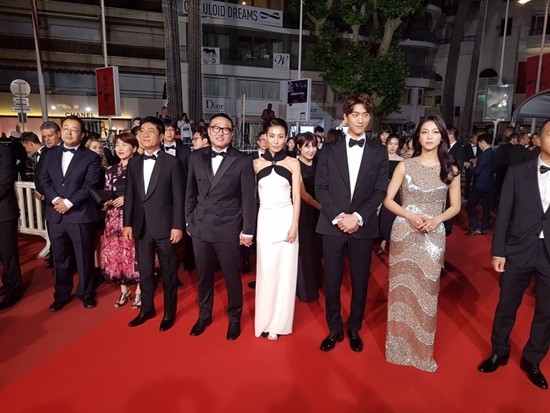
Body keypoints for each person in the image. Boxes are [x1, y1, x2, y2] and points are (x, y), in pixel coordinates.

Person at [383, 115, 461, 372]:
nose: (429, 137)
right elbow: (388, 200)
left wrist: (437, 219)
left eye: (435, 132)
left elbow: (455, 207)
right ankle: (397, 350)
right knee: (401, 291)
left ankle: (421, 353)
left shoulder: (451, 168)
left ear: (442, 136)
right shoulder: (405, 166)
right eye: (425, 132)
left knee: (427, 292)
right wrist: (409, 215)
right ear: (418, 136)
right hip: (404, 232)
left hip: (433, 235)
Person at [477, 118, 550, 390]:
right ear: (539, 138)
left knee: (547, 312)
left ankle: (533, 359)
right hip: (518, 250)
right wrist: (498, 251)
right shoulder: (519, 171)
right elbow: (504, 213)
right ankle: (499, 351)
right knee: (507, 305)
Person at [315, 93, 389, 353]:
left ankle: (354, 328)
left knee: (360, 281)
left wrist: (357, 217)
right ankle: (334, 328)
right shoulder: (328, 150)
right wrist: (340, 217)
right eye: (355, 114)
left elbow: (380, 190)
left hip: (363, 226)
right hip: (332, 225)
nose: (360, 120)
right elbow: (320, 188)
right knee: (332, 281)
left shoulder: (378, 152)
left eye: (365, 115)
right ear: (345, 117)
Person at [185, 112, 256, 341]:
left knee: (232, 277)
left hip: (228, 227)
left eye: (225, 129)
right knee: (203, 275)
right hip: (200, 226)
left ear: (232, 134)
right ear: (209, 131)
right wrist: (188, 221)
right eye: (216, 127)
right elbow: (190, 192)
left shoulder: (242, 160)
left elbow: (249, 199)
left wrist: (248, 230)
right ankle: (204, 315)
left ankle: (234, 318)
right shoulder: (195, 156)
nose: (220, 132)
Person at [123, 116, 185, 332]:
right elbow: (130, 195)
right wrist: (127, 223)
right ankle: (146, 309)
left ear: (161, 135)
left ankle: (169, 313)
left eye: (150, 131)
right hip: (141, 226)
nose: (145, 134)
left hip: (166, 227)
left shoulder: (172, 163)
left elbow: (179, 197)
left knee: (169, 272)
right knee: (145, 272)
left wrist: (178, 225)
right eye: (142, 131)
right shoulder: (133, 163)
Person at [36, 115, 103, 311]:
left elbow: (90, 185)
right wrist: (56, 200)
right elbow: (42, 179)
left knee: (84, 257)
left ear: (82, 135)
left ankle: (87, 293)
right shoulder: (49, 154)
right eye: (65, 128)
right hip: (55, 214)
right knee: (59, 257)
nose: (69, 132)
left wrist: (68, 202)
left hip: (80, 214)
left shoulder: (91, 157)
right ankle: (61, 294)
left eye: (74, 129)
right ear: (61, 131)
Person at [254, 118, 301, 340]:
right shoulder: (255, 164)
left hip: (286, 218)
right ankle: (264, 320)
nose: (275, 141)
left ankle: (279, 324)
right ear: (265, 137)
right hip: (265, 219)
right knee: (266, 271)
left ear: (286, 138)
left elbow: (297, 197)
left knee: (286, 272)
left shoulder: (293, 163)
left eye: (280, 136)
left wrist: (294, 226)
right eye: (272, 136)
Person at [101, 132, 142, 309]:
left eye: (124, 145)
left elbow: (146, 194)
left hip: (133, 216)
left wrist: (127, 198)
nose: (120, 148)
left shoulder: (140, 167)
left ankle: (140, 291)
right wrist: (107, 200)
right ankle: (124, 290)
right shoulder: (111, 170)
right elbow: (108, 190)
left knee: (134, 253)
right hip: (113, 218)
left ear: (134, 148)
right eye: (117, 145)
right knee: (116, 253)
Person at [296, 132, 322, 302]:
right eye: (307, 146)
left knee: (317, 248)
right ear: (299, 147)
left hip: (321, 212)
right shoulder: (295, 165)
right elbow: (303, 194)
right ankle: (305, 289)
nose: (311, 150)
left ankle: (316, 282)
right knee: (305, 249)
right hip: (304, 212)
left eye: (313, 146)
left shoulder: (320, 163)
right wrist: (322, 207)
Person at [0, 142, 23, 310]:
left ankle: (14, 290)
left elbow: (5, 182)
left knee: (8, 254)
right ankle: (7, 283)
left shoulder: (3, 150)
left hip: (4, 212)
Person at [376, 134, 404, 255]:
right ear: (386, 144)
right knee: (380, 216)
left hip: (395, 191)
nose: (393, 147)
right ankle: (381, 240)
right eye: (390, 144)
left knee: (391, 216)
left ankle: (389, 242)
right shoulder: (380, 158)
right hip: (381, 189)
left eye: (396, 144)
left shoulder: (402, 161)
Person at [466, 133, 496, 235]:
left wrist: (469, 166)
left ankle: (475, 227)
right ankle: (484, 228)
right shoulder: (493, 153)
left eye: (479, 143)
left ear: (483, 142)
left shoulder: (483, 155)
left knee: (470, 205)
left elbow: (477, 171)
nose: (478, 145)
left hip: (480, 185)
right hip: (490, 184)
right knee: (486, 208)